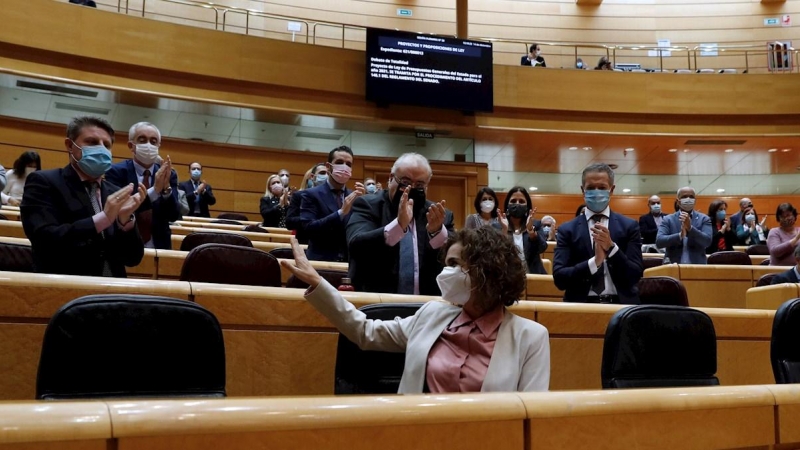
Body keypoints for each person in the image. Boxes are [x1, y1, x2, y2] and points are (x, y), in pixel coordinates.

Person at [282, 227, 550, 393]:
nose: (447, 272)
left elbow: (532, 415)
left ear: (487, 269)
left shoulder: (530, 337)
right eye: (446, 263)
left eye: (455, 263)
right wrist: (318, 282)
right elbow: (365, 331)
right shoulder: (432, 315)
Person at [21, 116, 145, 277]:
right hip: (65, 289)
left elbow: (133, 259)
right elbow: (45, 242)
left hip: (112, 292)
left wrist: (125, 223)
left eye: (106, 145)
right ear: (69, 145)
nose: (101, 149)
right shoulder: (44, 182)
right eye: (92, 142)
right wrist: (104, 218)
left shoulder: (116, 192)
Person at [347, 153, 455, 295]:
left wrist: (437, 233)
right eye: (405, 182)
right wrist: (398, 226)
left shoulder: (439, 214)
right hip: (376, 300)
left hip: (425, 304)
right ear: (391, 178)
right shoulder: (368, 205)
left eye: (420, 184)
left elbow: (456, 257)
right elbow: (356, 244)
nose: (411, 189)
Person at [553, 163, 643, 304]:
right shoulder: (567, 230)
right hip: (581, 306)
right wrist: (594, 263)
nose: (596, 192)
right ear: (583, 190)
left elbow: (635, 275)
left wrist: (612, 249)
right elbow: (560, 279)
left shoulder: (629, 226)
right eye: (590, 188)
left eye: (602, 188)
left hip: (621, 306)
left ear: (611, 190)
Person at [106, 122, 180, 250]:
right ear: (131, 146)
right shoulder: (115, 172)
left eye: (153, 141)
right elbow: (117, 211)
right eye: (142, 140)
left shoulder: (169, 174)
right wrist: (155, 190)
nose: (148, 145)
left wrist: (166, 188)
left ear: (158, 146)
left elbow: (174, 215)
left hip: (159, 245)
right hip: (125, 243)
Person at [300, 146, 365, 261]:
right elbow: (308, 229)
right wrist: (340, 213)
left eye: (348, 164)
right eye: (339, 162)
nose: (344, 167)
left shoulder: (355, 197)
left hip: (348, 262)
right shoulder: (310, 194)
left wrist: (366, 204)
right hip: (320, 262)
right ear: (328, 167)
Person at [656, 187, 712, 264]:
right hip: (673, 266)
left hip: (697, 267)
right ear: (678, 202)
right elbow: (659, 242)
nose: (688, 199)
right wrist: (679, 235)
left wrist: (690, 228)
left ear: (695, 201)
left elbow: (707, 241)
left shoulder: (704, 219)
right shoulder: (668, 219)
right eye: (684, 197)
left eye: (691, 197)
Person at [501, 186, 547, 275]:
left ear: (527, 207)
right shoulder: (498, 226)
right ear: (507, 205)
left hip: (533, 277)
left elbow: (542, 248)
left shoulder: (535, 225)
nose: (517, 204)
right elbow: (494, 254)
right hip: (506, 278)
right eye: (513, 201)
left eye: (521, 201)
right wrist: (504, 231)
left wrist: (531, 231)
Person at [286, 163, 326, 244]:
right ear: (312, 177)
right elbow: (289, 222)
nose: (326, 176)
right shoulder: (299, 196)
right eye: (322, 173)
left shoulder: (335, 197)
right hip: (304, 243)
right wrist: (308, 217)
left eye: (329, 173)